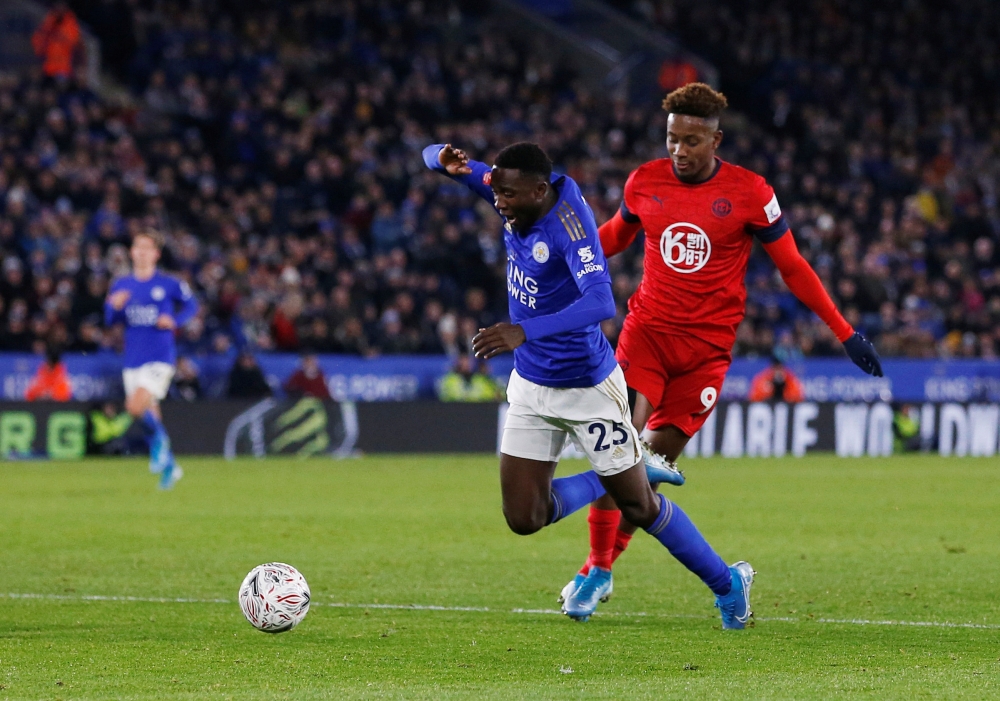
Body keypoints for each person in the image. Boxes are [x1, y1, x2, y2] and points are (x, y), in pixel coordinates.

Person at [560, 83, 883, 618]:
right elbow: (614, 236)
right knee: (616, 453)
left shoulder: (751, 193)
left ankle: (678, 574)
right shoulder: (645, 181)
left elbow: (793, 267)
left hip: (706, 354)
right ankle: (597, 569)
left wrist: (844, 332)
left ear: (716, 139)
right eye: (672, 139)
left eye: (691, 140)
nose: (679, 151)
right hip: (646, 336)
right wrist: (563, 262)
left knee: (642, 477)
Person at [425, 140, 753, 628]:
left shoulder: (569, 228)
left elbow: (601, 301)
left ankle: (729, 585)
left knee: (639, 506)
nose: (499, 202)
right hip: (532, 386)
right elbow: (449, 162)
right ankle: (624, 468)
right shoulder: (516, 191)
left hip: (588, 389)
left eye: (509, 195)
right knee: (524, 518)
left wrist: (523, 330)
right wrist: (443, 162)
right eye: (497, 191)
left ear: (540, 191)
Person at [105, 230, 198, 489]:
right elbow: (110, 321)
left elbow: (192, 306)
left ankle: (159, 446)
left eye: (147, 247)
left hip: (159, 357)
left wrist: (174, 321)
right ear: (132, 252)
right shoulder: (121, 285)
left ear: (156, 254)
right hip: (133, 358)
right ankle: (171, 467)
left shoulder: (169, 283)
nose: (141, 252)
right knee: (147, 414)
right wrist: (114, 307)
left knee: (134, 406)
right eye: (137, 247)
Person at [31, 2, 81, 80]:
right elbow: (38, 38)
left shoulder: (71, 22)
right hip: (47, 66)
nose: (60, 8)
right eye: (58, 5)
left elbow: (74, 41)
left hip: (63, 67)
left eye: (62, 6)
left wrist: (58, 34)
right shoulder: (49, 20)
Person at [438, 355, 503, 402]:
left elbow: (493, 395)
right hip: (455, 410)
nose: (466, 366)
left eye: (468, 363)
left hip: (480, 410)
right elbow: (444, 397)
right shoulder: (450, 380)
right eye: (463, 364)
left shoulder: (480, 379)